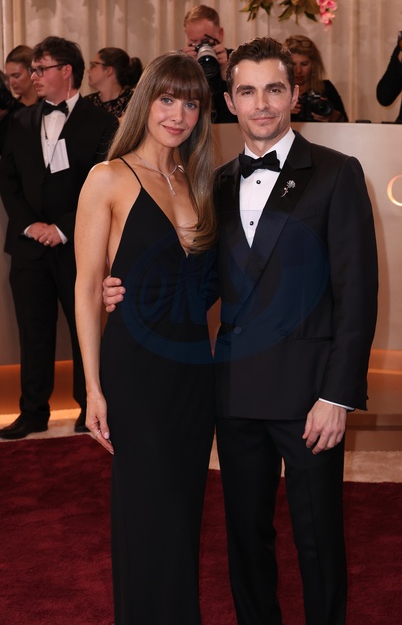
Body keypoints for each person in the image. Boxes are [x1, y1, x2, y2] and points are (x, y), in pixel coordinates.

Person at [103, 37, 378, 624]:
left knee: (318, 539)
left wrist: (337, 396)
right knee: (246, 540)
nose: (262, 104)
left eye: (274, 89)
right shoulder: (214, 185)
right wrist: (127, 289)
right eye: (247, 91)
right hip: (233, 393)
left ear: (294, 95)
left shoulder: (337, 173)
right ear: (229, 101)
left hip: (310, 395)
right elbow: (200, 286)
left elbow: (358, 295)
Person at [74, 52, 217, 623]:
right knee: (148, 509)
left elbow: (205, 283)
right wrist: (93, 388)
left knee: (183, 510)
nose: (178, 115)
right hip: (135, 369)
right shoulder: (108, 177)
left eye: (191, 104)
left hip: (193, 370)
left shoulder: (197, 180)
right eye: (167, 99)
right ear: (144, 102)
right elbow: (88, 287)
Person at [0, 36, 118, 441]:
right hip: (28, 246)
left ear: (66, 71)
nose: (33, 76)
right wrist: (30, 225)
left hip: (79, 244)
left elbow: (101, 184)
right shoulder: (19, 121)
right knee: (33, 332)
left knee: (86, 327)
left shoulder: (101, 122)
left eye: (41, 69)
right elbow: (8, 181)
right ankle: (32, 412)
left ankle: (90, 408)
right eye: (32, 69)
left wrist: (63, 227)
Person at [182, 4, 238, 124]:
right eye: (194, 42)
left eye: (206, 42)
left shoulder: (237, 60)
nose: (202, 48)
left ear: (220, 34)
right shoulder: (178, 62)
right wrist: (185, 71)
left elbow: (242, 109)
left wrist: (228, 74)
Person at [285, 34, 348, 122]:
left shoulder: (325, 88)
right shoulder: (278, 91)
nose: (298, 70)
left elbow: (346, 124)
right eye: (293, 64)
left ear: (313, 64)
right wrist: (281, 112)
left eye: (304, 64)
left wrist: (332, 116)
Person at [86, 47, 143, 119]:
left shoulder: (135, 101)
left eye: (93, 65)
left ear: (109, 70)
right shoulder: (87, 102)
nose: (88, 70)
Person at [0, 46, 38, 153]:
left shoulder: (46, 106)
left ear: (32, 72)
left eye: (16, 76)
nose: (11, 82)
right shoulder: (9, 109)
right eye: (8, 77)